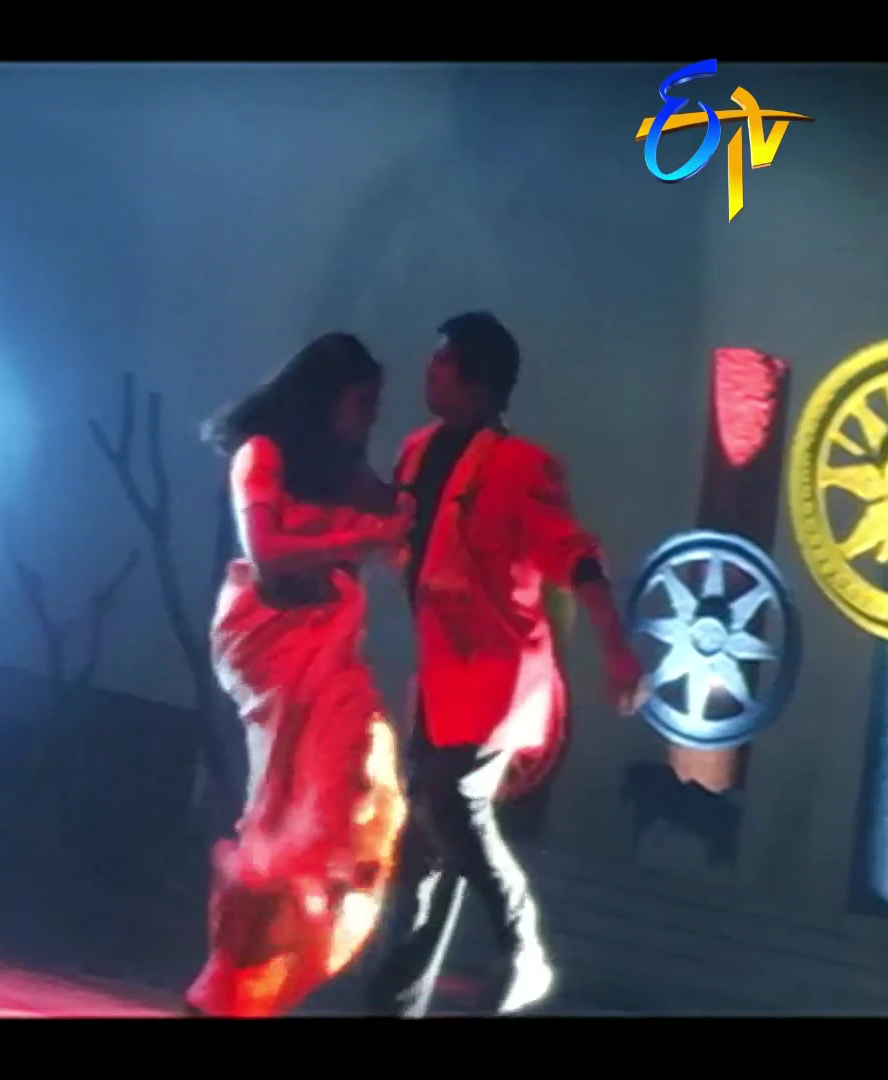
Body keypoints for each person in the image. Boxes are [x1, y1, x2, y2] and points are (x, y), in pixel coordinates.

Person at [362, 311, 645, 1017]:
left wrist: (615, 647)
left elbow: (575, 556)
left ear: (479, 383)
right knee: (424, 845)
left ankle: (524, 949)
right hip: (439, 676)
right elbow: (395, 535)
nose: (431, 371)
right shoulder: (416, 452)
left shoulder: (523, 466)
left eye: (445, 363)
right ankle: (393, 1004)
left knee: (449, 801)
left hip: (501, 677)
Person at [183, 332, 414, 1018]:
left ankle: (261, 979)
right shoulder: (261, 456)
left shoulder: (348, 473)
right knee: (288, 819)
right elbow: (269, 552)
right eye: (362, 403)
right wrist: (367, 537)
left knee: (365, 790)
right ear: (324, 398)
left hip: (332, 645)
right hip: (272, 643)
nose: (370, 419)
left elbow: (408, 523)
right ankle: (229, 990)